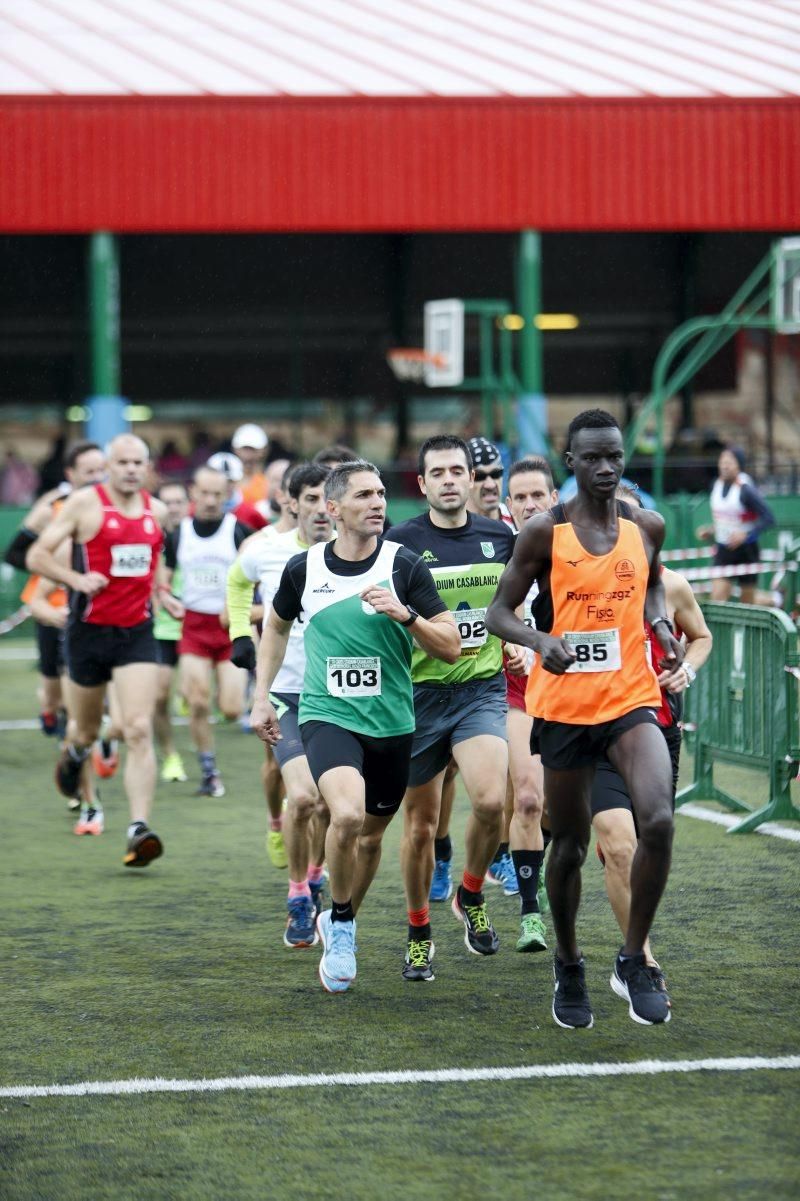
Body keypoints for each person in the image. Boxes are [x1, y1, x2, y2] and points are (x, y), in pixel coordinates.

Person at [486, 409, 683, 1028]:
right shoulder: (545, 532)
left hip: (630, 701)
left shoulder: (646, 524)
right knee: (568, 846)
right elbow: (499, 613)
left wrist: (658, 625)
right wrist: (541, 642)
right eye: (592, 458)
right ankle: (568, 963)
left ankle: (632, 958)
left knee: (657, 821)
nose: (605, 469)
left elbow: (649, 585)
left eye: (614, 458)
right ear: (570, 463)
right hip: (565, 711)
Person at [249, 460, 459, 993]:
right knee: (343, 815)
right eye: (365, 495)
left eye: (382, 493)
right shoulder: (304, 568)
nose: (378, 503)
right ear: (334, 509)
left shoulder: (404, 566)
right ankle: (341, 925)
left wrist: (405, 616)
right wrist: (261, 698)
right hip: (328, 714)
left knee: (370, 840)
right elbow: (274, 628)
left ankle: (341, 916)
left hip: (391, 723)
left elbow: (451, 644)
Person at [390, 435, 521, 982]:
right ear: (421, 484)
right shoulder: (399, 545)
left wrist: (516, 638)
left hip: (480, 690)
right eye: (436, 472)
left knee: (491, 802)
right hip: (419, 699)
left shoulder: (501, 537)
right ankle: (419, 931)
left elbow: (516, 604)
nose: (448, 479)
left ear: (472, 479)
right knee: (420, 827)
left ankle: (470, 894)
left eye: (456, 471)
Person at [27, 434, 179, 867]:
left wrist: (162, 590)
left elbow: (157, 557)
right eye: (123, 462)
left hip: (137, 633)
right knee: (86, 731)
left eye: (138, 462)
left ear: (147, 467)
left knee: (136, 728)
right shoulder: (83, 505)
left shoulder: (158, 511)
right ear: (110, 466)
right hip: (87, 633)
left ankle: (138, 828)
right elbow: (38, 556)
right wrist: (75, 580)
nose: (131, 469)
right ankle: (74, 755)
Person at [591, 483, 713, 1003]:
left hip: (656, 729)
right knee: (619, 846)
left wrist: (685, 668)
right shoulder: (580, 580)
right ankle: (640, 958)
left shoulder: (671, 584)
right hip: (592, 725)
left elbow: (701, 637)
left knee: (646, 843)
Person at [227, 462, 334, 946]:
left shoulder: (363, 555)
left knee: (334, 808)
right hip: (287, 695)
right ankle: (297, 894)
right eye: (308, 499)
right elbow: (233, 583)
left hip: (342, 697)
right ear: (291, 502)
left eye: (326, 499)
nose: (319, 509)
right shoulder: (268, 553)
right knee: (305, 797)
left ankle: (315, 874)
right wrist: (238, 637)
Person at [5, 441, 107, 741]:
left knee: (88, 683)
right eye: (89, 472)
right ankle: (51, 710)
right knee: (54, 691)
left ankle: (87, 738)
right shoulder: (52, 507)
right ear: (71, 474)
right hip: (54, 606)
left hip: (96, 606)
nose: (97, 477)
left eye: (101, 470)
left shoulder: (114, 504)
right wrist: (57, 573)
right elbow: (14, 554)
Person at [163, 466, 251, 797]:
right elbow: (163, 579)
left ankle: (222, 690)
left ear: (227, 495)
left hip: (230, 628)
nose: (212, 501)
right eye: (205, 493)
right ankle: (208, 768)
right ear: (193, 493)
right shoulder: (178, 535)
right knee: (198, 703)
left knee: (230, 709)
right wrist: (165, 598)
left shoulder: (238, 531)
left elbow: (256, 577)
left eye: (218, 494)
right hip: (194, 629)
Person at [501, 457, 559, 953]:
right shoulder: (498, 549)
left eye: (537, 495)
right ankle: (530, 914)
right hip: (516, 691)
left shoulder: (577, 548)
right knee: (526, 798)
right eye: (519, 497)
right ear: (508, 505)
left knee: (561, 814)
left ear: (554, 498)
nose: (528, 505)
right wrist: (517, 643)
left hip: (571, 692)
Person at [697, 446, 775, 604]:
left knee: (747, 604)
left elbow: (769, 519)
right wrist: (711, 530)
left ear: (739, 466)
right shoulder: (715, 485)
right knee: (718, 599)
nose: (725, 466)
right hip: (724, 550)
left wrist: (745, 535)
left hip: (747, 552)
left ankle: (772, 602)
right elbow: (726, 519)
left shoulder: (746, 490)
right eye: (722, 461)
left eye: (730, 462)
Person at [153, 481, 190, 784]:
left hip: (195, 628)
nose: (173, 507)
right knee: (157, 697)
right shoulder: (150, 539)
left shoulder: (198, 536)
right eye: (167, 502)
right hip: (162, 629)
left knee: (212, 701)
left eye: (179, 501)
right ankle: (170, 756)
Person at [207, 452, 268, 531]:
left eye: (230, 481)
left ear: (238, 481)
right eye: (217, 482)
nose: (224, 486)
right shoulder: (193, 512)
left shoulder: (251, 513)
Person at [465, 436, 514, 527]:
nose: (490, 485)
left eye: (496, 474)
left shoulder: (516, 520)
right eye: (480, 476)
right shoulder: (453, 528)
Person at [232, 424, 270, 509]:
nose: (248, 455)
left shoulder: (268, 480)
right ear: (235, 449)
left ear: (263, 451)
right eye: (245, 448)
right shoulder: (227, 480)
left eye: (253, 449)